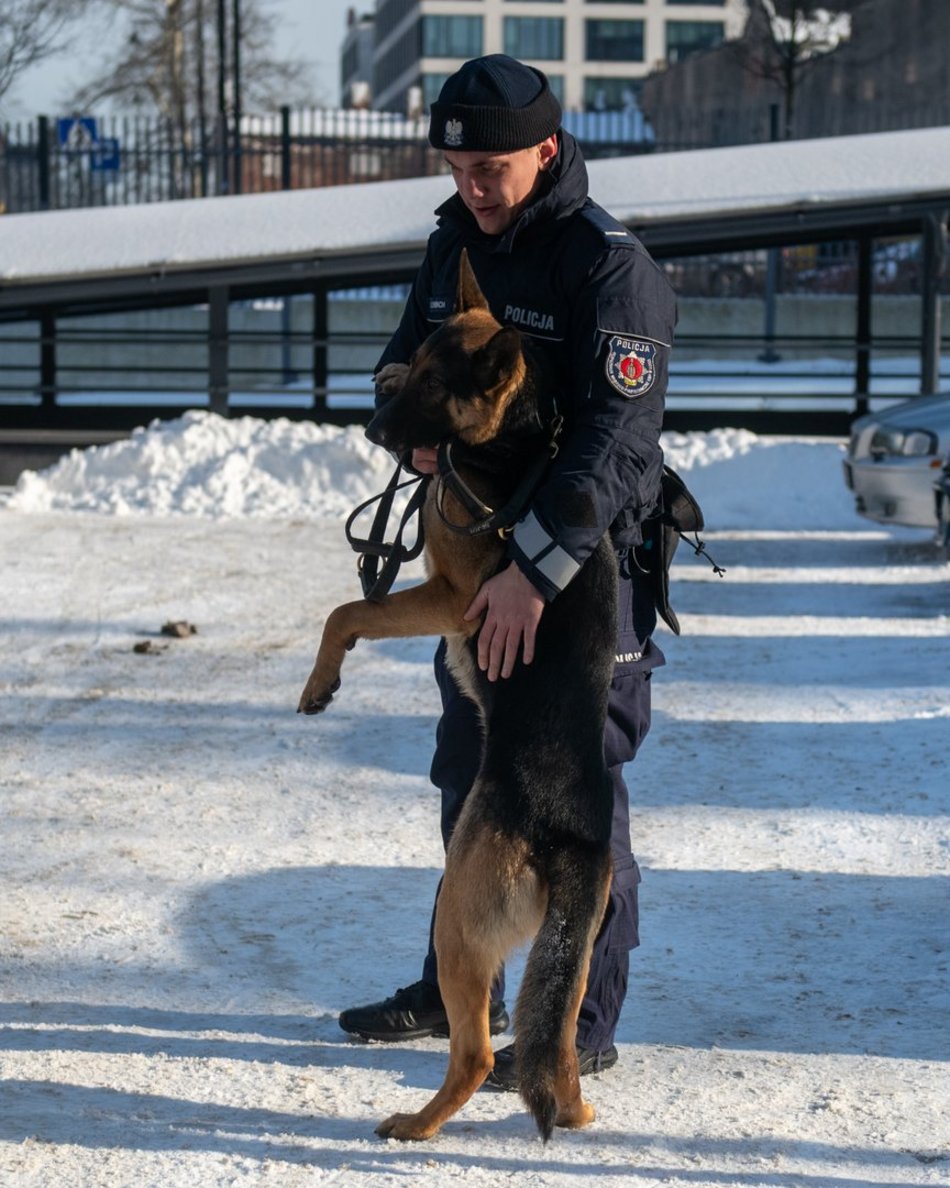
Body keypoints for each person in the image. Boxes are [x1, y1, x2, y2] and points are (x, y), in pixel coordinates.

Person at [339, 54, 676, 1089]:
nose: (471, 187)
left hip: (578, 572)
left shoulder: (606, 266)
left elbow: (614, 446)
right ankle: (466, 992)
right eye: (456, 166)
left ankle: (575, 1023)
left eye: (490, 167)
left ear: (544, 149)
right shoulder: (452, 244)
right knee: (471, 777)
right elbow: (401, 363)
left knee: (575, 797)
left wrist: (532, 570)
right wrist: (417, 431)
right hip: (474, 568)